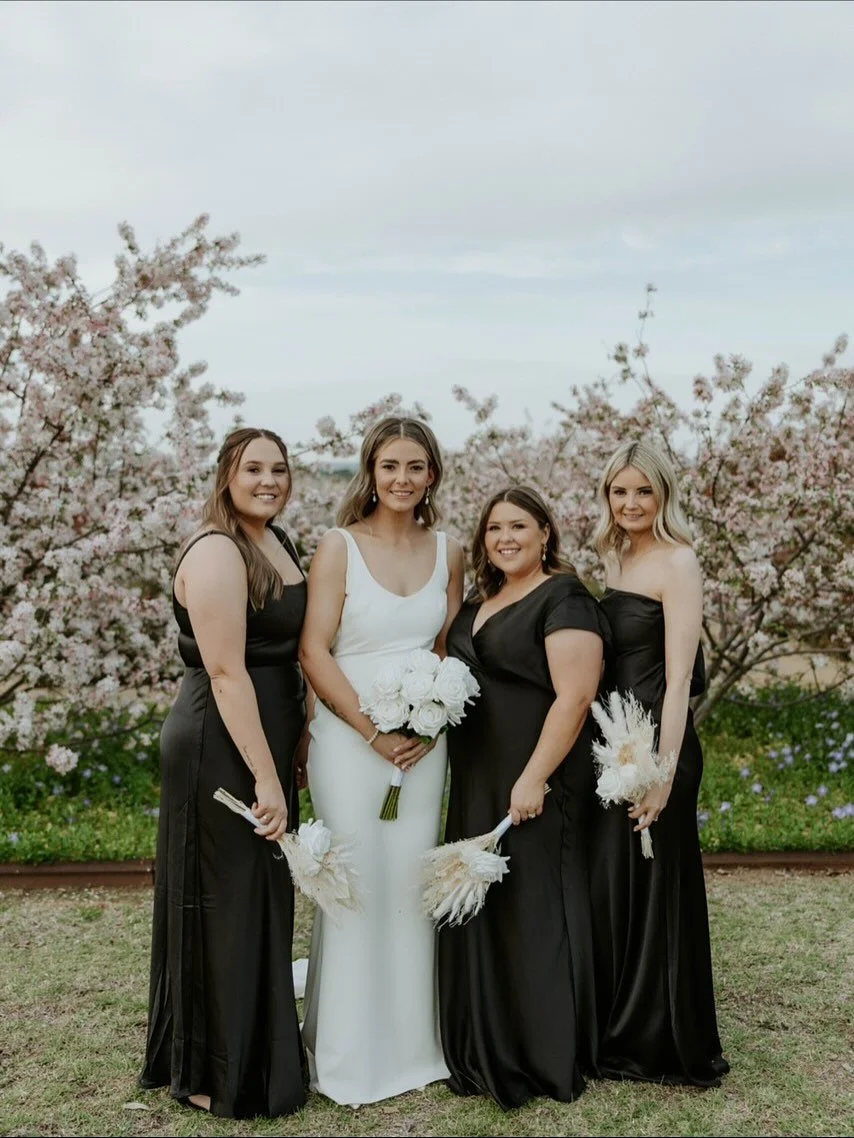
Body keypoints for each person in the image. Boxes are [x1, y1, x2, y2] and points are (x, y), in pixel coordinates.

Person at [139, 428, 308, 1118]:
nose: (269, 481)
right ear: (225, 476)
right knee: (221, 901)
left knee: (259, 897)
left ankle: (257, 1051)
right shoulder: (216, 550)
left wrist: (295, 745)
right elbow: (226, 671)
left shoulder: (278, 540)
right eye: (253, 469)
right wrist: (265, 778)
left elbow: (287, 657)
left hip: (267, 738)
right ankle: (212, 1071)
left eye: (279, 469)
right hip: (221, 741)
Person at [298, 416, 464, 1106]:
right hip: (348, 743)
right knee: (358, 881)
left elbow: (445, 650)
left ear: (432, 475)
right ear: (370, 471)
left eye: (415, 466)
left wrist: (433, 715)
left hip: (422, 746)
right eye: (390, 465)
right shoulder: (338, 546)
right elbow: (313, 650)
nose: (402, 479)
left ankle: (414, 1046)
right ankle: (347, 1054)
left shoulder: (450, 550)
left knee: (409, 881)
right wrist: (370, 732)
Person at [438, 486, 608, 1110]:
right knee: (486, 903)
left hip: (537, 773)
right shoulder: (479, 601)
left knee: (536, 907)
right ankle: (486, 1039)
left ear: (544, 532)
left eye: (518, 526)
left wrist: (534, 777)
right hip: (476, 777)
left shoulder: (564, 598)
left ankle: (543, 1051)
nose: (504, 538)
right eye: (493, 529)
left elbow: (575, 697)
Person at [591, 438, 729, 1086]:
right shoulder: (614, 555)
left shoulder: (679, 561)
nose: (631, 502)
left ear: (663, 494)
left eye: (643, 490)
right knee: (621, 888)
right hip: (614, 743)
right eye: (620, 491)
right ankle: (616, 1026)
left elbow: (677, 683)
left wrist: (663, 776)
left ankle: (663, 1041)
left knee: (658, 892)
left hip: (657, 745)